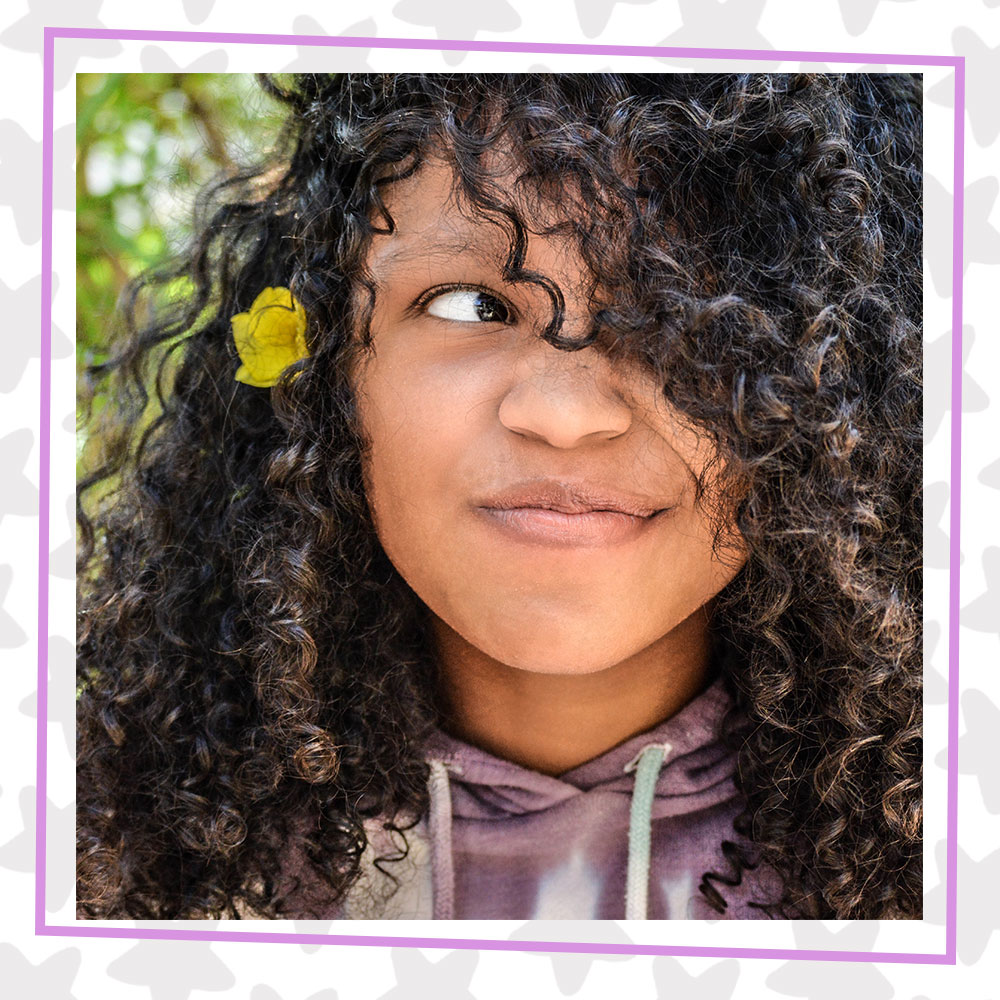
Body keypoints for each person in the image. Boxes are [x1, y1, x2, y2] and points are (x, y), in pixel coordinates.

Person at [76, 73, 923, 921]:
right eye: (470, 302)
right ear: (328, 374)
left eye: (688, 313)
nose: (567, 413)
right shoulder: (108, 866)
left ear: (842, 392)